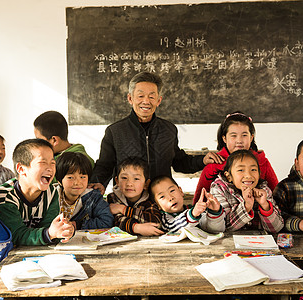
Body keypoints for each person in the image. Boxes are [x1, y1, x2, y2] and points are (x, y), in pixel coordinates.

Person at [90, 71, 222, 193]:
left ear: (159, 100)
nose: (146, 101)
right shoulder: (115, 131)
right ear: (130, 99)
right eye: (140, 96)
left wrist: (202, 160)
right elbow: (105, 165)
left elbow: (179, 162)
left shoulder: (169, 129)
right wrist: (97, 182)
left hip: (162, 199)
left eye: (151, 97)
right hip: (128, 199)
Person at [0, 139, 74, 246]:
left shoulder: (52, 192)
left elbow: (49, 228)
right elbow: (16, 235)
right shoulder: (5, 197)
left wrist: (63, 230)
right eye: (43, 162)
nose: (50, 168)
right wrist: (49, 233)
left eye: (52, 163)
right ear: (21, 169)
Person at [193, 111, 278, 204]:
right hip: (221, 216)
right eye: (233, 136)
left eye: (244, 135)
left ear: (251, 137)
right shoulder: (214, 164)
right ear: (224, 138)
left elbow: (276, 193)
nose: (239, 141)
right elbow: (200, 199)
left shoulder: (262, 161)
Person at [211, 149, 284, 233]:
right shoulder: (219, 189)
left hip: (258, 243)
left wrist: (265, 205)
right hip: (228, 243)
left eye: (253, 170)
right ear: (228, 176)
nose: (248, 175)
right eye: (241, 170)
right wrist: (246, 206)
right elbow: (224, 227)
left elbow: (276, 228)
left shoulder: (264, 190)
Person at [54, 152, 113, 230]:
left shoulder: (93, 197)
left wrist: (76, 225)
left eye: (82, 177)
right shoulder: (50, 195)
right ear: (59, 180)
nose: (77, 183)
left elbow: (107, 221)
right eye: (70, 177)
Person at [107, 157, 163, 236]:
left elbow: (156, 223)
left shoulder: (150, 200)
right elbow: (115, 221)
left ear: (146, 184)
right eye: (124, 178)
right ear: (117, 181)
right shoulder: (112, 198)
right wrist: (136, 228)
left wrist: (123, 209)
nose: (129, 183)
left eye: (136, 178)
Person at [150, 175, 225, 233]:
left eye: (172, 190)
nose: (170, 198)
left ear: (181, 191)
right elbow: (173, 227)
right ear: (158, 205)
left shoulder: (193, 210)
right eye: (162, 196)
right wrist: (192, 215)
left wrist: (214, 213)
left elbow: (215, 230)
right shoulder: (165, 219)